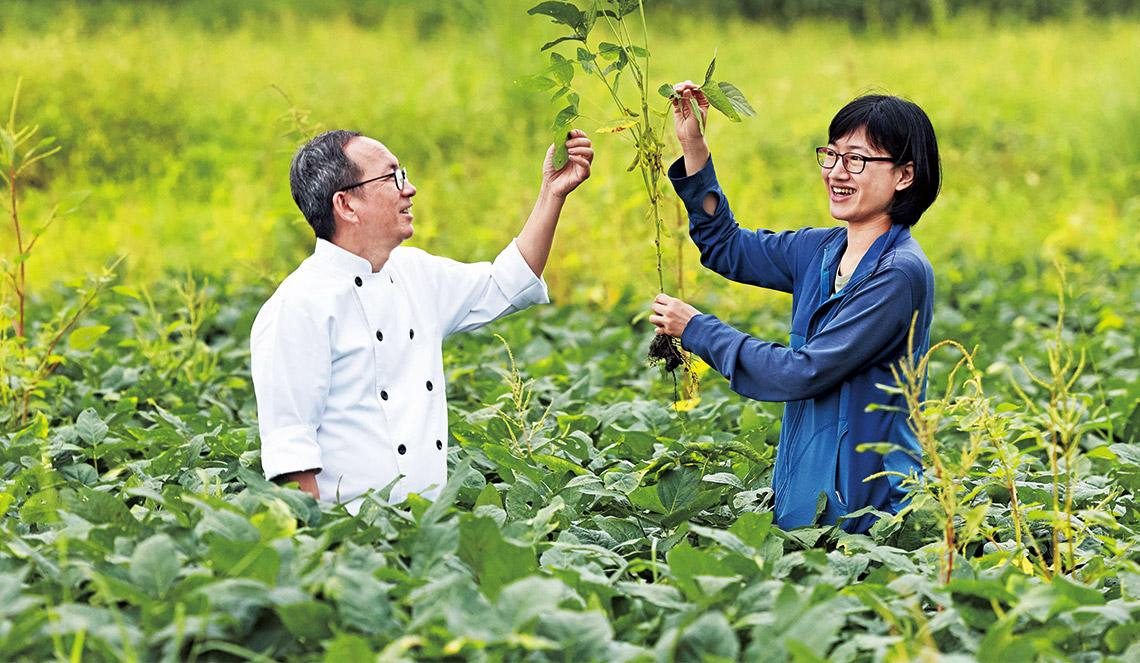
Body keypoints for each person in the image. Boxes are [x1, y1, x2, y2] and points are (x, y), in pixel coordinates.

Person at [251, 128, 593, 511]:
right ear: (346, 205)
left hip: (428, 526)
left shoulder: (416, 273)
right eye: (392, 177)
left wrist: (552, 193)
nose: (409, 189)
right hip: (349, 539)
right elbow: (291, 453)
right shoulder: (297, 306)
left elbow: (505, 283)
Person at [650, 88, 941, 533]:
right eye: (832, 156)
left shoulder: (898, 274)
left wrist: (698, 330)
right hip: (803, 504)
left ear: (904, 175)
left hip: (866, 518)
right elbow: (726, 247)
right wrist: (693, 147)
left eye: (857, 160)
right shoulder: (820, 249)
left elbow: (801, 372)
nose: (837, 172)